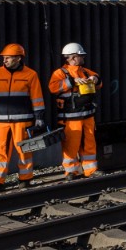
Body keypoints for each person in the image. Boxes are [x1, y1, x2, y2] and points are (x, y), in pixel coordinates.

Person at [0, 43, 46, 195]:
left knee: (24, 150)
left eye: (8, 58)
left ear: (18, 58)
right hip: (1, 120)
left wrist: (39, 117)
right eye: (4, 58)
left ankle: (25, 179)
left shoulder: (30, 75)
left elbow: (37, 98)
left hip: (23, 120)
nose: (5, 61)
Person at [48, 42, 101, 179]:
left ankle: (91, 170)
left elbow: (99, 81)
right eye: (81, 56)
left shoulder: (85, 71)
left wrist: (95, 79)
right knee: (71, 145)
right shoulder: (60, 73)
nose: (83, 58)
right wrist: (73, 81)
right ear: (72, 57)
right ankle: (71, 171)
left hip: (88, 116)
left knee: (89, 143)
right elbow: (53, 88)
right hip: (70, 118)